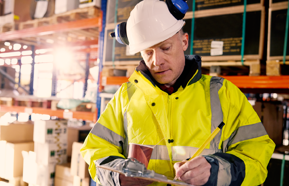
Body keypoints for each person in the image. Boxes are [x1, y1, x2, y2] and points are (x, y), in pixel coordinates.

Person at [80, 0, 275, 185]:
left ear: (184, 42)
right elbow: (95, 150)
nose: (157, 61)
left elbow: (257, 157)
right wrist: (118, 175)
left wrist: (215, 171)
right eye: (148, 52)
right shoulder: (125, 96)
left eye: (165, 48)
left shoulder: (224, 94)